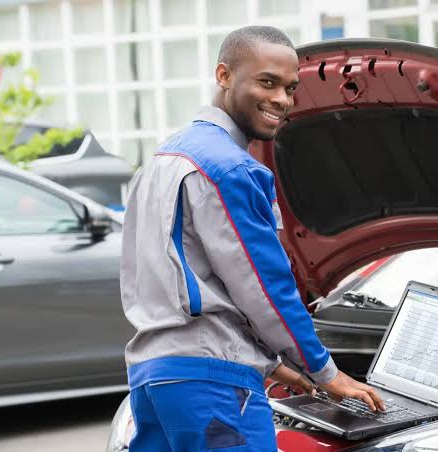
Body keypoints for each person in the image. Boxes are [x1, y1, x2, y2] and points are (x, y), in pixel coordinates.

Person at [120, 25, 384, 452]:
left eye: (290, 87)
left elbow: (173, 278)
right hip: (214, 386)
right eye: (267, 82)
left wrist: (275, 365)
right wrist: (324, 371)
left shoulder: (162, 160)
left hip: (156, 379)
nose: (282, 99)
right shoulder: (230, 169)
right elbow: (265, 288)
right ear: (224, 75)